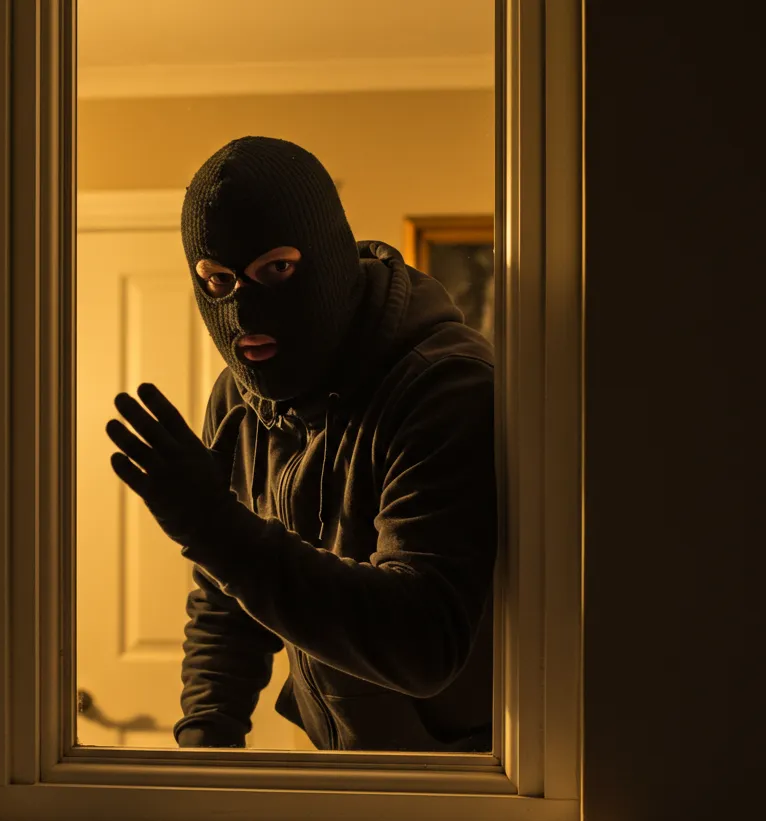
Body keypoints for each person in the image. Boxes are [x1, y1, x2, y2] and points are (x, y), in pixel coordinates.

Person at [105, 136, 497, 752]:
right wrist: (205, 748)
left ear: (330, 257)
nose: (244, 308)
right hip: (334, 769)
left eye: (277, 269)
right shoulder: (236, 399)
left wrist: (214, 528)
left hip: (466, 785)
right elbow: (225, 597)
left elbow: (427, 642)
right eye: (216, 281)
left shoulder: (443, 384)